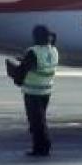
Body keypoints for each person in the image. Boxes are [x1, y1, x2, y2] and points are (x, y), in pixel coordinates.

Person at [11, 25, 59, 157]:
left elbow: (23, 71)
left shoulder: (33, 52)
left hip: (33, 91)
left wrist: (16, 78)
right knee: (40, 119)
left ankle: (41, 148)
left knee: (37, 122)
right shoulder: (53, 50)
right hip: (46, 90)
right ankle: (41, 146)